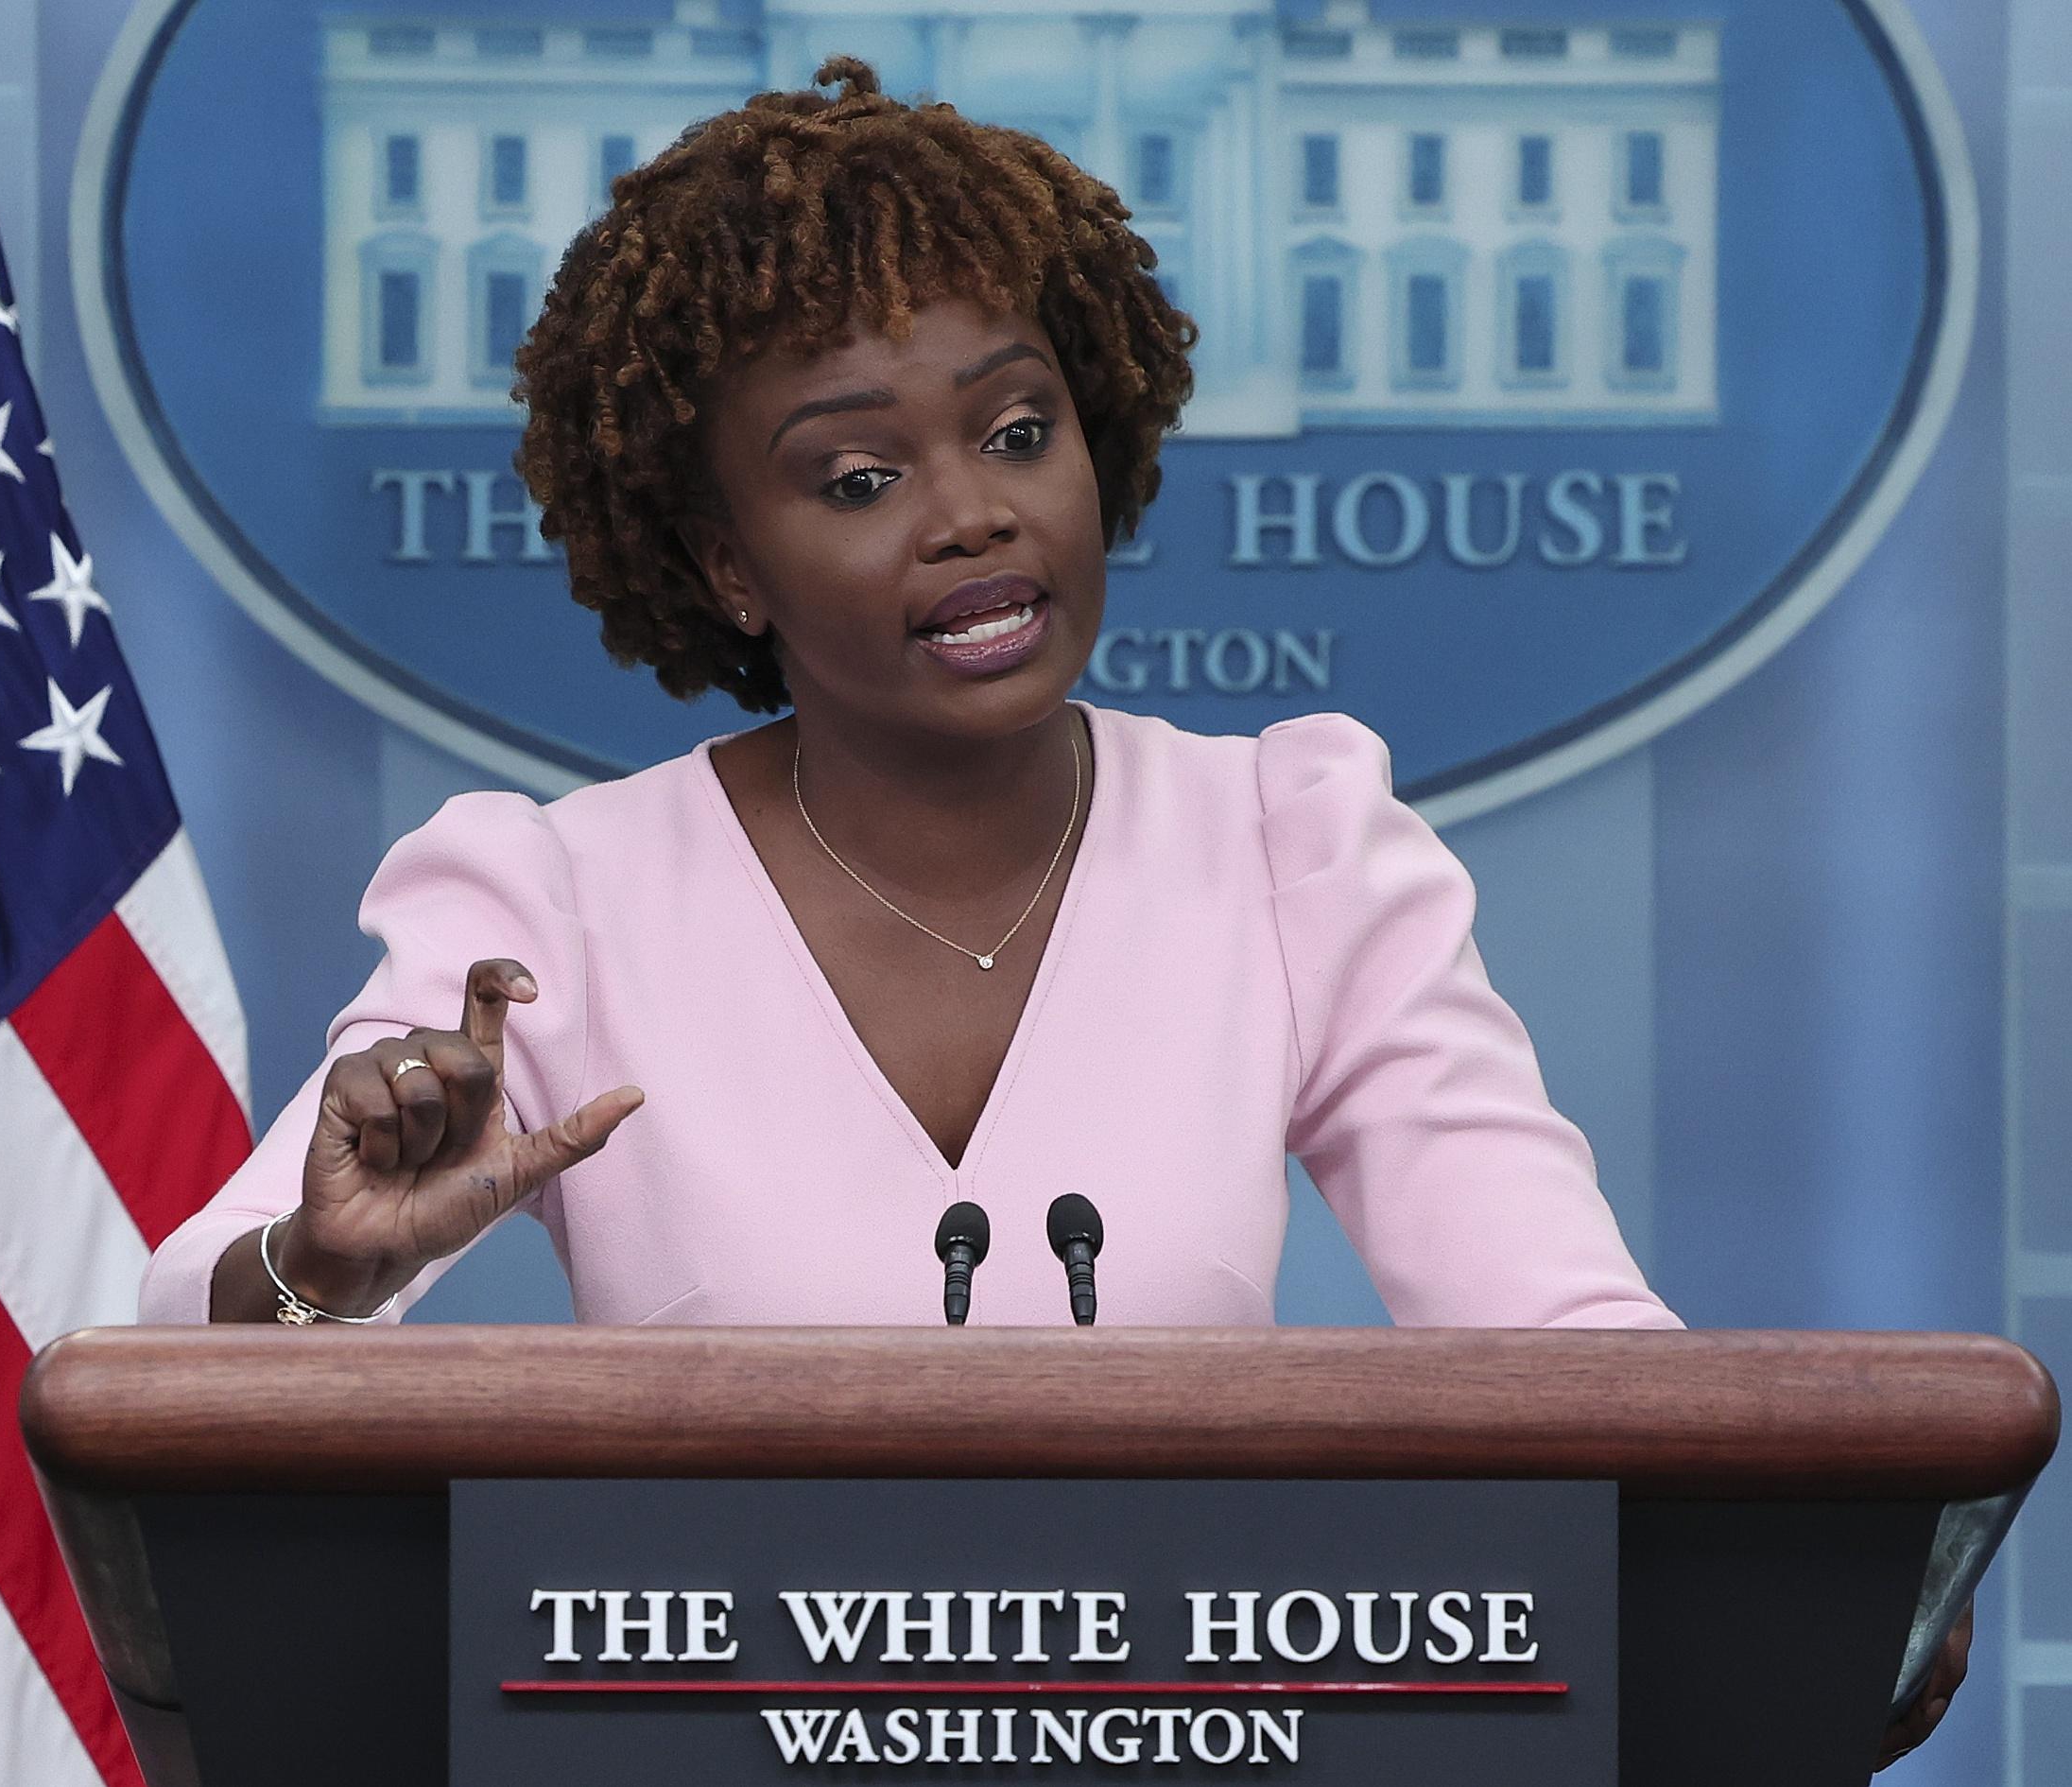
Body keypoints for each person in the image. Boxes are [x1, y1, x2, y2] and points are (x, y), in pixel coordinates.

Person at [139, 62, 1967, 1761]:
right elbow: (188, 1338)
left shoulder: (1291, 840)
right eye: (860, 478)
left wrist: (1793, 1556)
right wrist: (327, 1270)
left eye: (1021, 431)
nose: (973, 516)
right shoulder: (553, 903)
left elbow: (1574, 1359)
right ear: (724, 565)